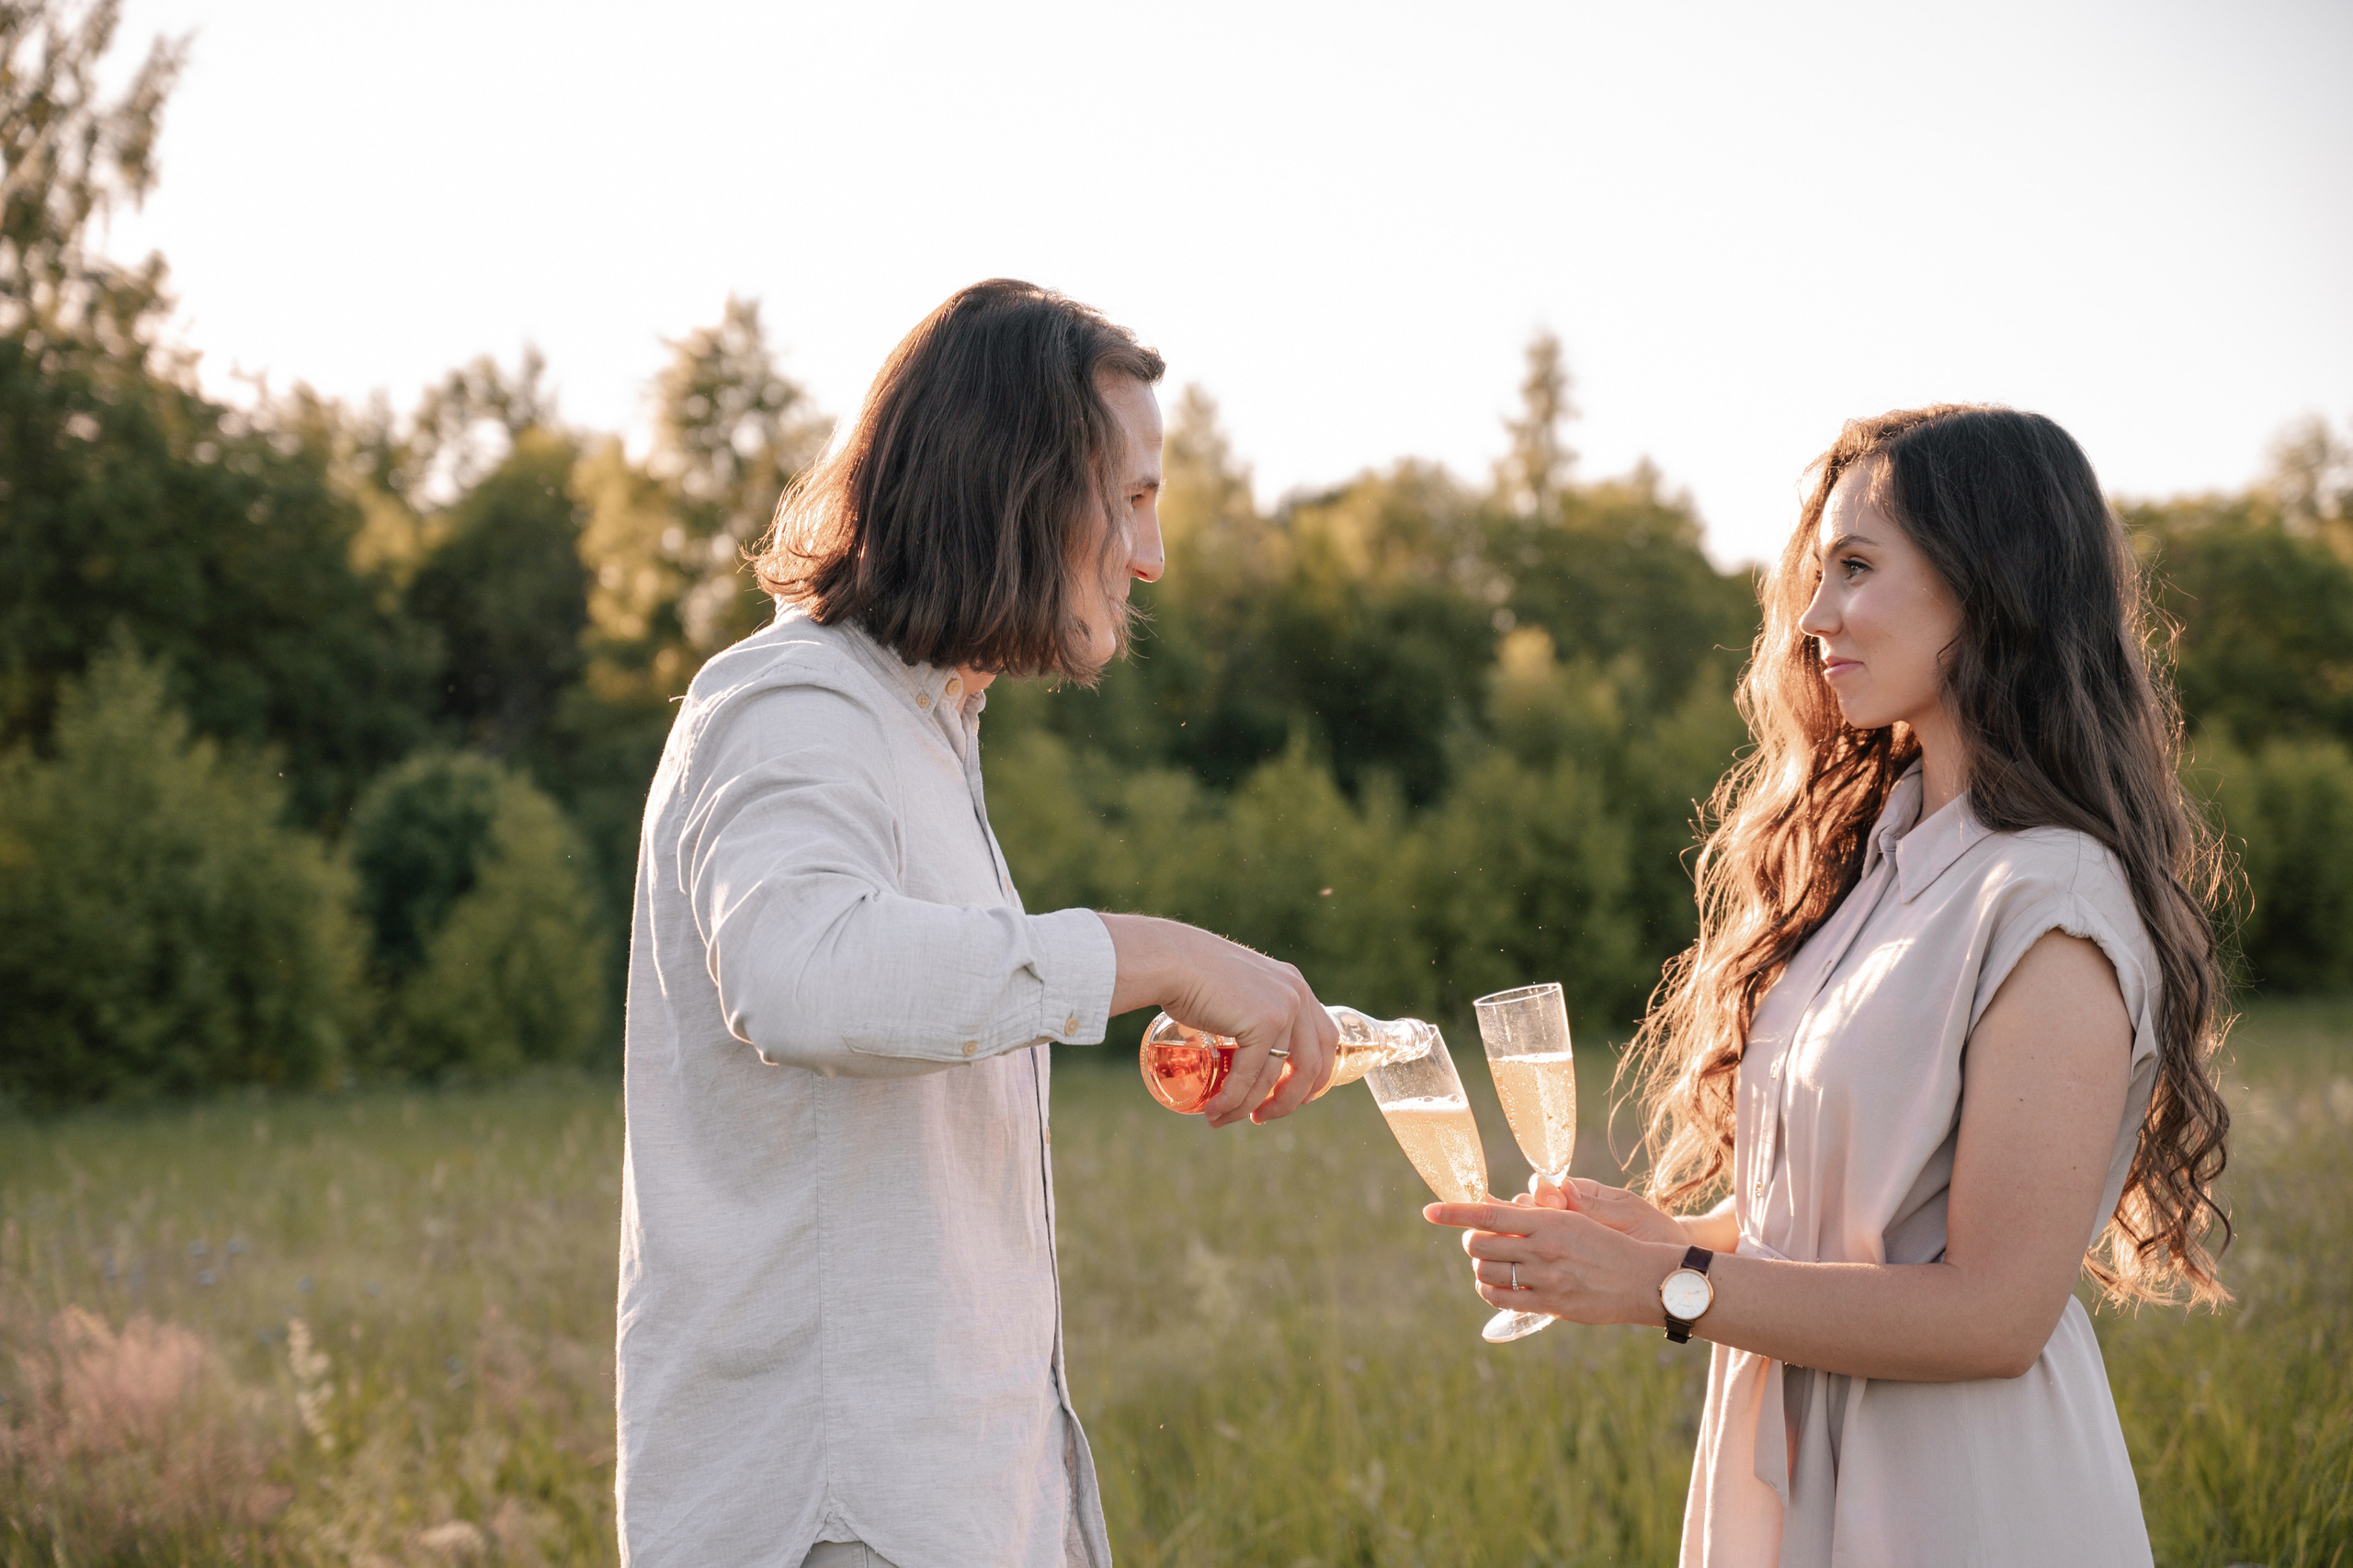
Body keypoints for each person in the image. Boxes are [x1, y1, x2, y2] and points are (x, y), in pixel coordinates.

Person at [614, 278, 1340, 1568]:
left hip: (966, 1509)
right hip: (837, 1519)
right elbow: (800, 980)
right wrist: (1155, 952)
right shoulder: (791, 704)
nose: (1150, 552)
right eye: (1129, 498)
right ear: (1017, 486)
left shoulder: (931, 736)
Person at [1429, 405, 2233, 1566]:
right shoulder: (1880, 866)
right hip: (1801, 1468)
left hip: (1958, 1498)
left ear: (1989, 581)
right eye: (1818, 574)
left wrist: (1670, 1282)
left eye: (1855, 568)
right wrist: (1671, 1232)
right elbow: (1857, 1219)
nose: (1812, 618)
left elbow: (1994, 1311)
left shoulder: (2051, 901)